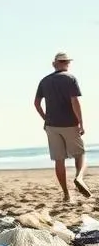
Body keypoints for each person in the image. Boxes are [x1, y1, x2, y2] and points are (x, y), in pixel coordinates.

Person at [35, 52, 89, 200]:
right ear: (62, 63)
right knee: (81, 154)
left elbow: (36, 103)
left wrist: (46, 118)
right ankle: (79, 178)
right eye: (66, 62)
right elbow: (75, 102)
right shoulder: (70, 78)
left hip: (52, 126)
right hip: (69, 123)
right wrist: (81, 123)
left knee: (59, 160)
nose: (67, 64)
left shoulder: (44, 81)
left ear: (55, 64)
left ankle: (66, 195)